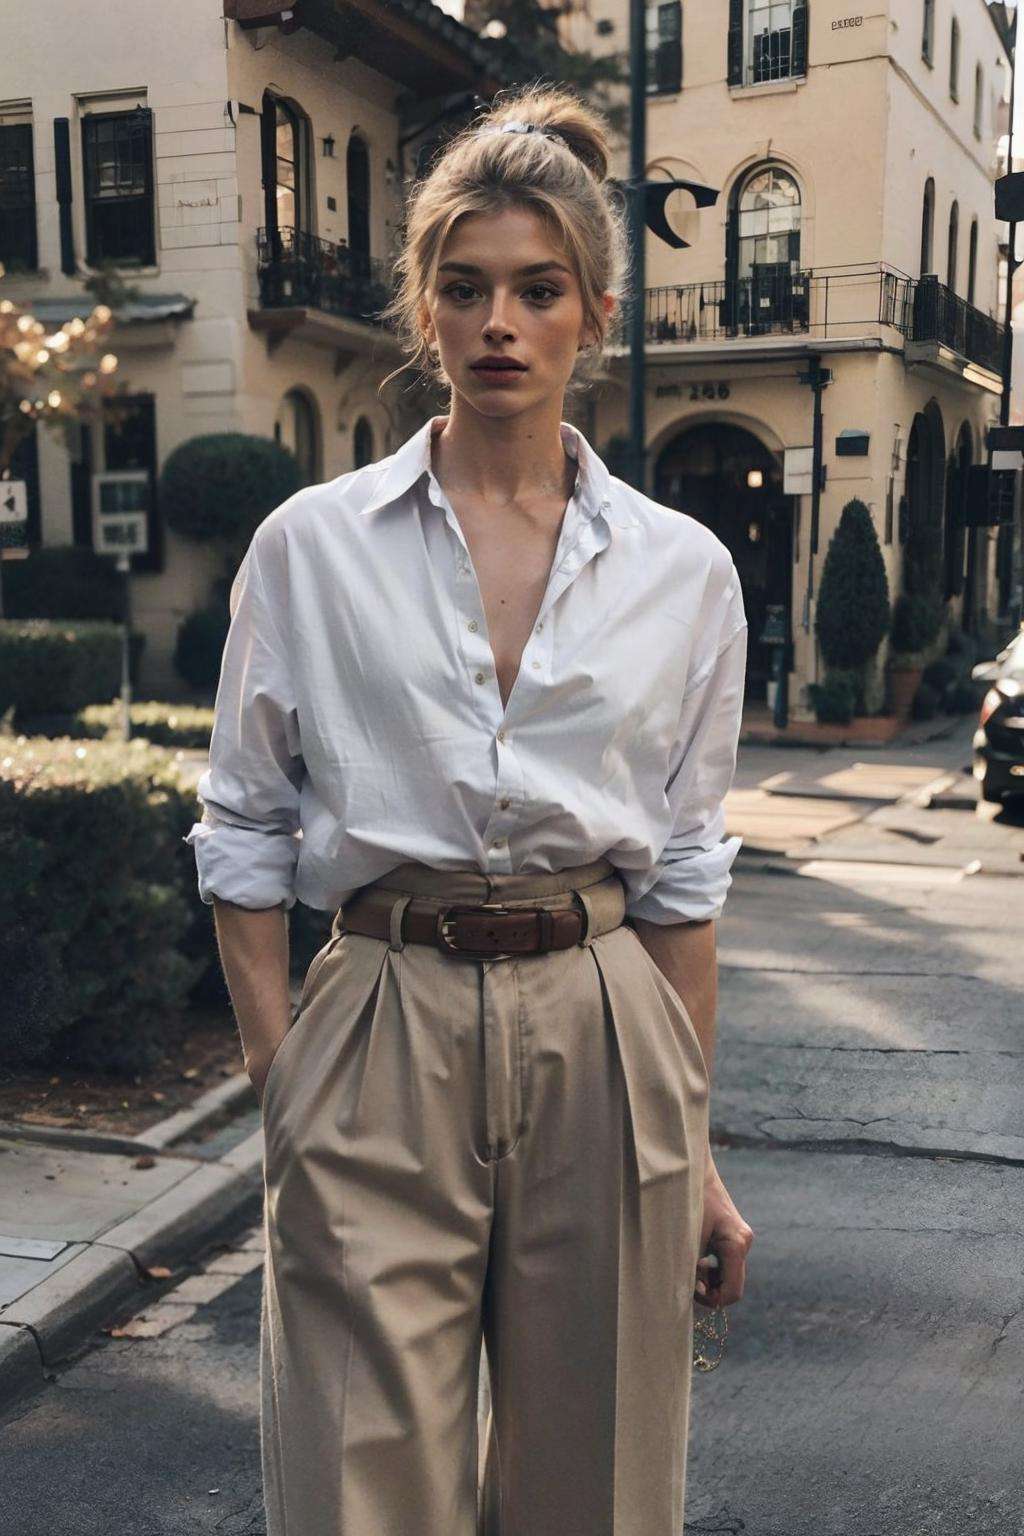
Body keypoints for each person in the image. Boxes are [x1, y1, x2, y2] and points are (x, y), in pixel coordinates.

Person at [184, 81, 755, 1536]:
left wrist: (693, 1153)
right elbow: (243, 830)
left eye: (538, 290)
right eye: (467, 288)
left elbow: (684, 879)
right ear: (424, 312)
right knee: (355, 1484)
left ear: (595, 314)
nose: (501, 322)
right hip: (378, 1014)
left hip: (605, 1018)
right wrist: (281, 1077)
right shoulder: (309, 548)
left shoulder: (683, 571)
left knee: (599, 1484)